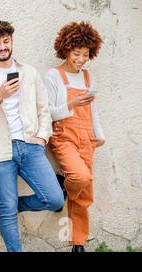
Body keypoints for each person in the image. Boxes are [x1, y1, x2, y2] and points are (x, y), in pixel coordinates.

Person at [0, 20, 64, 252]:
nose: (2, 47)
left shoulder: (29, 72)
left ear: (12, 41)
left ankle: (14, 205)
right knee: (7, 212)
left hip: (30, 147)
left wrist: (41, 138)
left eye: (6, 41)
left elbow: (44, 109)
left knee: (54, 198)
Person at [44, 21, 105, 252]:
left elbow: (93, 110)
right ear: (65, 49)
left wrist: (99, 135)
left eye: (86, 54)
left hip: (86, 137)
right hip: (63, 136)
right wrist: (70, 103)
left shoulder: (88, 77)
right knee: (80, 178)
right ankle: (63, 185)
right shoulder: (53, 75)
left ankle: (78, 242)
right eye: (76, 53)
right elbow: (47, 112)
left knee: (85, 192)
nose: (80, 59)